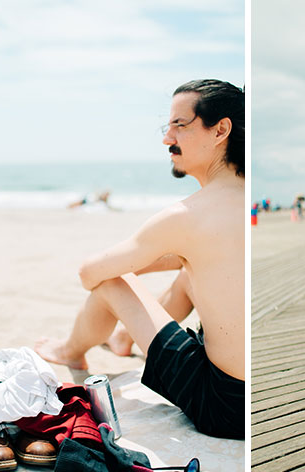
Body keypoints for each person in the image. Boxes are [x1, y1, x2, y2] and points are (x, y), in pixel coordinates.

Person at [35, 79, 245, 440]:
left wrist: (133, 264)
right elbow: (197, 257)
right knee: (188, 274)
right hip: (244, 396)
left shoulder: (186, 216)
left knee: (113, 282)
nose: (168, 138)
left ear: (220, 130)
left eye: (180, 125)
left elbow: (90, 273)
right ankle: (122, 341)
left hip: (221, 406)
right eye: (167, 127)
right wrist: (172, 256)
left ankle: (71, 350)